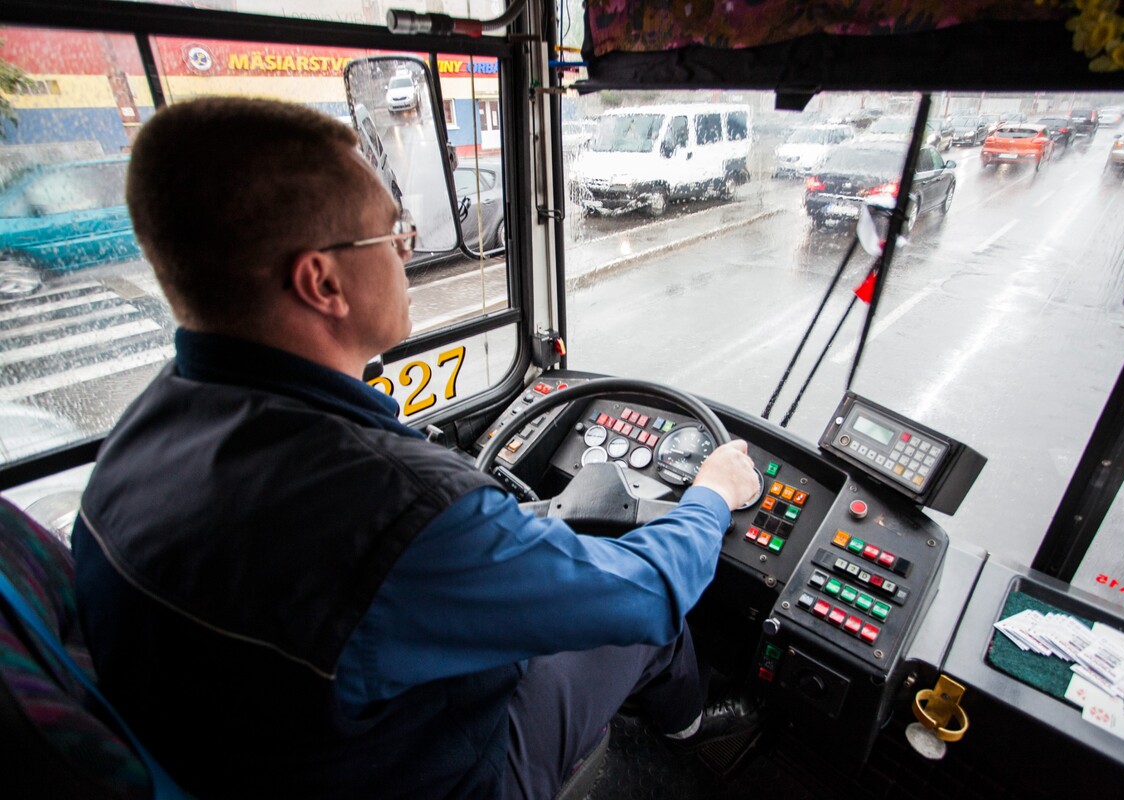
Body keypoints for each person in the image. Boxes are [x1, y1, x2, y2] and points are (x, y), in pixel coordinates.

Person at [71, 96, 762, 799]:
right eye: (393, 234)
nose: (409, 251)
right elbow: (647, 591)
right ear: (323, 281)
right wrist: (710, 493)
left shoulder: (131, 442)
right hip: (442, 775)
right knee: (649, 626)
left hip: (262, 751)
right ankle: (691, 728)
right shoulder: (404, 508)